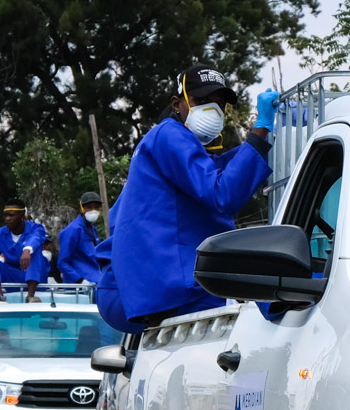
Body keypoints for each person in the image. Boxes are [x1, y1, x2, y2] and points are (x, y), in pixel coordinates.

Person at [103, 63, 276, 329]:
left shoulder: (162, 144)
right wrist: (261, 129)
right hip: (170, 288)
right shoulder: (170, 134)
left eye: (219, 105)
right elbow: (223, 193)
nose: (212, 110)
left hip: (148, 289)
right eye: (201, 101)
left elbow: (219, 170)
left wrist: (267, 140)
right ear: (177, 104)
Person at [0, 201, 49, 301]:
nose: (7, 219)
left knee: (35, 249)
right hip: (14, 278)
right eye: (6, 215)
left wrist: (27, 250)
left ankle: (31, 296)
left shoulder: (35, 228)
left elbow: (36, 237)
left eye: (11, 215)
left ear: (22, 215)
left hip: (36, 278)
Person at [56, 192, 107, 284]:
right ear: (82, 208)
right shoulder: (73, 230)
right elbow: (62, 262)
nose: (93, 210)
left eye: (96, 207)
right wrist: (79, 280)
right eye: (89, 207)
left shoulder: (93, 229)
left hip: (95, 281)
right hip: (78, 287)